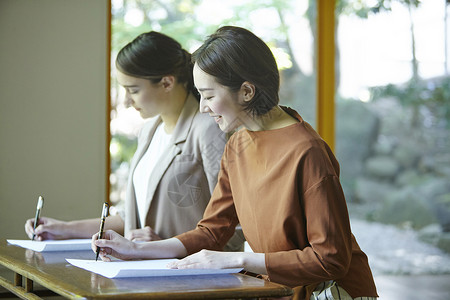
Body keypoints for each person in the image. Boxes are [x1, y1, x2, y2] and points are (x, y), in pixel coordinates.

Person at [92, 26, 378, 300]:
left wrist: (238, 259)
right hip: (282, 287)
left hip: (332, 292)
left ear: (247, 92)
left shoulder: (308, 151)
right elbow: (211, 231)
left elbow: (330, 259)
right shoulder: (237, 145)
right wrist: (136, 249)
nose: (202, 107)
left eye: (209, 96)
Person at [24, 31, 243, 251]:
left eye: (134, 90)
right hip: (147, 273)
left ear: (167, 82)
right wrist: (63, 229)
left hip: (191, 275)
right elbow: (132, 218)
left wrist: (167, 247)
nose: (128, 101)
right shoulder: (149, 131)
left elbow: (235, 222)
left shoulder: (208, 129)